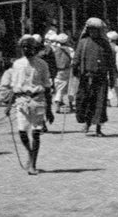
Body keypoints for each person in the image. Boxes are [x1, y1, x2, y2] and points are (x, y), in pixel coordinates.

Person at [7, 35, 52, 175]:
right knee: (22, 132)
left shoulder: (42, 64)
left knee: (36, 133)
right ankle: (30, 152)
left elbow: (47, 87)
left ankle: (33, 164)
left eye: (30, 47)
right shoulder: (17, 64)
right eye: (24, 47)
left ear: (35, 48)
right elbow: (14, 87)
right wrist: (8, 106)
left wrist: (49, 110)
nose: (27, 49)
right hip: (21, 100)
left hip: (38, 100)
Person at [72, 18, 116, 137]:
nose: (93, 32)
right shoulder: (83, 42)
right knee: (84, 102)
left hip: (100, 79)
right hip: (85, 78)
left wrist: (112, 79)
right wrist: (74, 68)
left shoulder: (105, 44)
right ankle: (86, 124)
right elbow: (76, 58)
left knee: (99, 104)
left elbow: (111, 64)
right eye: (91, 30)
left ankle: (98, 128)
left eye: (95, 30)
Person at [52, 33, 74, 114]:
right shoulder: (70, 50)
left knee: (59, 88)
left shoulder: (55, 50)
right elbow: (74, 59)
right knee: (70, 88)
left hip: (58, 70)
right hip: (68, 70)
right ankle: (71, 105)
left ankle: (58, 103)